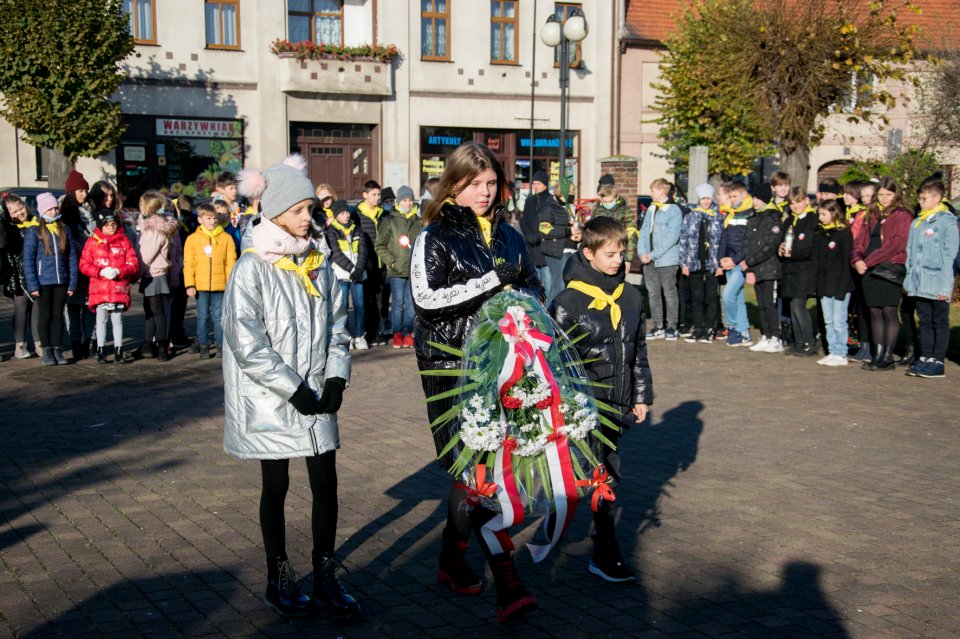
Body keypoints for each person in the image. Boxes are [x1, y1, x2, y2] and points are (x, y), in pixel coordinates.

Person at [411, 142, 543, 623]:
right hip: (453, 367)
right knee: (481, 471)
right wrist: (492, 284)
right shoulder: (434, 235)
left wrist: (522, 306)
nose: (485, 192)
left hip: (507, 363)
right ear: (454, 184)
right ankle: (508, 584)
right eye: (474, 184)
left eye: (491, 183)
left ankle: (450, 558)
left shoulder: (509, 234)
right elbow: (426, 300)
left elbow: (533, 285)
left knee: (481, 467)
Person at [223, 155, 357, 621]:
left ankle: (325, 575)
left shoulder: (318, 265)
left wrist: (337, 375)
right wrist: (291, 387)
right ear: (276, 210)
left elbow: (339, 326)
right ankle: (277, 575)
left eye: (311, 210)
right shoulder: (252, 268)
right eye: (300, 210)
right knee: (275, 483)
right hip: (271, 398)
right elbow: (246, 342)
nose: (309, 218)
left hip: (317, 391)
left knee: (326, 481)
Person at [550, 216, 653, 582]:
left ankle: (560, 521)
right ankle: (605, 552)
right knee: (602, 475)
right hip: (584, 406)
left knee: (599, 473)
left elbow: (638, 349)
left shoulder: (631, 296)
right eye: (610, 254)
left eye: (622, 253)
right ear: (588, 253)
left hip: (618, 403)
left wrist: (641, 396)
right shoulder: (568, 301)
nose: (618, 261)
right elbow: (555, 361)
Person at [851, 177, 912, 371]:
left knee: (889, 311)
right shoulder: (872, 213)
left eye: (889, 195)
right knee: (874, 312)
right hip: (869, 270)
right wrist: (857, 260)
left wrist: (868, 261)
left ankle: (887, 356)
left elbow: (895, 245)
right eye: (882, 195)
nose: (884, 199)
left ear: (896, 195)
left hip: (888, 268)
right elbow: (859, 241)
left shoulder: (902, 214)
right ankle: (877, 355)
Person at [903, 180, 959, 378]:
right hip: (920, 283)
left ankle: (937, 360)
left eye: (924, 199)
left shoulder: (947, 222)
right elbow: (910, 253)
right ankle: (926, 357)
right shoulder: (917, 222)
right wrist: (909, 281)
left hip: (937, 283)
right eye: (919, 198)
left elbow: (948, 256)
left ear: (937, 198)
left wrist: (945, 287)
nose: (920, 202)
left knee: (939, 321)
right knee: (925, 321)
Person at [23, 192, 78, 366]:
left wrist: (72, 281)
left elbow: (71, 258)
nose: (54, 211)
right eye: (50, 208)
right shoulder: (34, 231)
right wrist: (32, 284)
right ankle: (46, 350)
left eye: (55, 208)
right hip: (43, 282)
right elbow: (29, 260)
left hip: (61, 281)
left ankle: (58, 349)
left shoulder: (64, 229)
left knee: (58, 316)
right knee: (44, 316)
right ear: (43, 210)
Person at [79, 211, 139, 363]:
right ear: (101, 226)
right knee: (101, 319)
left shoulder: (124, 241)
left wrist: (119, 271)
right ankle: (101, 350)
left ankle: (119, 350)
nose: (111, 228)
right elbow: (84, 264)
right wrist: (99, 272)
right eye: (108, 225)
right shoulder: (93, 242)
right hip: (99, 288)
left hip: (118, 287)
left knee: (118, 319)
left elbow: (133, 263)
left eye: (114, 225)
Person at [183, 202, 236, 358]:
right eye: (208, 218)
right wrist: (190, 284)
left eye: (214, 218)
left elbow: (230, 262)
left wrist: (230, 283)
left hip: (221, 286)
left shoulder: (226, 238)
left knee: (219, 316)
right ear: (200, 219)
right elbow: (189, 263)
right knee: (203, 316)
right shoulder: (192, 239)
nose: (212, 221)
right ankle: (204, 345)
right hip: (201, 285)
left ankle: (219, 344)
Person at [374, 185, 422, 349]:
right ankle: (397, 333)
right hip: (396, 270)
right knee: (397, 303)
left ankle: (408, 332)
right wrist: (391, 261)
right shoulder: (390, 220)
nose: (408, 203)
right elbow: (380, 245)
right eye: (405, 200)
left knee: (410, 304)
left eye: (410, 200)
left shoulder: (418, 221)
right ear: (399, 201)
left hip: (413, 270)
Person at [135, 191, 179, 361]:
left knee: (156, 311)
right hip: (157, 273)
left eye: (141, 204)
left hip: (153, 273)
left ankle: (161, 345)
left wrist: (135, 274)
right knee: (152, 312)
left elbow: (146, 255)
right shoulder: (159, 227)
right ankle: (150, 344)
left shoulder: (153, 229)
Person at [639, 178, 683, 340]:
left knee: (669, 293)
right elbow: (643, 231)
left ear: (662, 191)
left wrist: (654, 254)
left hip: (666, 260)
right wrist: (642, 252)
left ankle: (672, 326)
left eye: (653, 190)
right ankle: (658, 326)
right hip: (648, 259)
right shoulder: (651, 209)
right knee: (653, 293)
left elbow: (672, 237)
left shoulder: (673, 211)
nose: (651, 193)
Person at [679, 183, 723, 343]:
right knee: (696, 297)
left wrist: (719, 265)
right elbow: (683, 240)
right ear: (699, 199)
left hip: (712, 263)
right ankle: (698, 328)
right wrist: (683, 263)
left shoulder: (718, 216)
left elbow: (721, 241)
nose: (706, 202)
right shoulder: (690, 216)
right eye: (703, 198)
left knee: (711, 297)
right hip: (694, 262)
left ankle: (710, 328)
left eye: (708, 199)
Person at [740, 183, 782, 349]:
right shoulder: (753, 219)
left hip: (769, 269)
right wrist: (749, 267)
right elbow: (747, 244)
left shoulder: (774, 218)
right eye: (753, 198)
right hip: (755, 268)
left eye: (757, 198)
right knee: (761, 305)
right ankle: (766, 335)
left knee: (769, 305)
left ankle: (775, 338)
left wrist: (749, 262)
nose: (754, 202)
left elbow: (769, 247)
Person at [778, 187, 819, 356]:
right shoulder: (789, 221)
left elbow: (809, 246)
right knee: (792, 305)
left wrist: (793, 251)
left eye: (799, 202)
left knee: (798, 304)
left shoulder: (813, 219)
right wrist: (780, 248)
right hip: (789, 269)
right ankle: (799, 341)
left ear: (806, 201)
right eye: (793, 203)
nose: (796, 206)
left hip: (804, 269)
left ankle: (809, 341)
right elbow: (782, 240)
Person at [60, 169, 96, 360]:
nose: (85, 193)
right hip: (75, 266)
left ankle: (89, 341)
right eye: (81, 190)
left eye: (86, 190)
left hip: (90, 266)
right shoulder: (64, 212)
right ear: (71, 192)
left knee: (90, 305)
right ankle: (75, 343)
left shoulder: (92, 210)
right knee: (73, 306)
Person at [813, 199, 854, 366]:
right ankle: (832, 350)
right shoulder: (821, 233)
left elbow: (846, 262)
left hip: (840, 285)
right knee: (828, 320)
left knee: (839, 320)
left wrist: (842, 287)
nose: (821, 218)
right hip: (825, 284)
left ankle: (841, 352)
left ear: (834, 213)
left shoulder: (844, 233)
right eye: (819, 214)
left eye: (824, 214)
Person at [1, 194, 41, 358]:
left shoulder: (36, 222)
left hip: (34, 271)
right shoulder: (8, 228)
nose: (19, 213)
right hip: (17, 274)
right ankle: (20, 345)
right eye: (14, 212)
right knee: (20, 309)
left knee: (37, 308)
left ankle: (39, 343)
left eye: (20, 208)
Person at [326, 199, 368, 350]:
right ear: (336, 215)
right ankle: (346, 336)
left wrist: (359, 269)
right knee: (342, 306)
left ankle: (359, 335)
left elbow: (363, 251)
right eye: (342, 213)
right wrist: (351, 269)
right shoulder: (331, 231)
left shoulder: (357, 229)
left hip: (358, 274)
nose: (346, 215)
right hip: (342, 274)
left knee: (360, 306)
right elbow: (336, 254)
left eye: (347, 212)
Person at [718, 182, 756, 346]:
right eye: (730, 197)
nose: (731, 200)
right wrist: (722, 259)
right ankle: (744, 331)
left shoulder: (750, 215)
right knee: (738, 298)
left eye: (734, 197)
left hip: (741, 263)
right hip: (729, 262)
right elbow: (724, 239)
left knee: (727, 296)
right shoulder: (731, 215)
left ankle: (732, 327)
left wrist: (735, 260)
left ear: (744, 195)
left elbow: (748, 244)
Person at [357, 180, 387, 345]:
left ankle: (378, 332)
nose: (377, 198)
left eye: (378, 194)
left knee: (381, 300)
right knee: (367, 300)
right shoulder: (358, 214)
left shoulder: (382, 214)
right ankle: (368, 332)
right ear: (365, 195)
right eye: (374, 194)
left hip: (382, 263)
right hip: (367, 264)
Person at [519, 170, 552, 299]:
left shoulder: (550, 201)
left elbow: (549, 223)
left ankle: (549, 312)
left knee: (549, 282)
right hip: (531, 248)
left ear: (545, 184)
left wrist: (537, 237)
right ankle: (538, 309)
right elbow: (523, 221)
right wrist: (528, 236)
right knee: (534, 282)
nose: (535, 186)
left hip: (545, 248)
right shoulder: (530, 201)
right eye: (534, 184)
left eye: (538, 183)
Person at [593, 183, 638, 273]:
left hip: (619, 253)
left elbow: (631, 235)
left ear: (616, 198)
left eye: (610, 201)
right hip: (602, 252)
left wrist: (628, 259)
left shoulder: (625, 211)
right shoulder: (597, 211)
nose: (607, 204)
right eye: (605, 202)